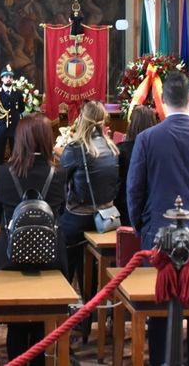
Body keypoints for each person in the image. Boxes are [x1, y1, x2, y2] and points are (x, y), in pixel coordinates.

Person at [127, 71, 189, 366]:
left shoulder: (147, 139)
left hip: (158, 234)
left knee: (159, 304)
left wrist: (139, 226)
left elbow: (134, 189)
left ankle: (160, 360)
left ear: (164, 101)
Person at [0, 116, 67, 366]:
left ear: (19, 140)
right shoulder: (58, 174)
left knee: (17, 324)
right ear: (46, 140)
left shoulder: (2, 173)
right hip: (49, 260)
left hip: (11, 261)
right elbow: (61, 212)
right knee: (41, 327)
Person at [58, 100, 118, 290]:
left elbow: (61, 182)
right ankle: (90, 300)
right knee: (89, 265)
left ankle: (62, 292)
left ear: (82, 119)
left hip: (79, 217)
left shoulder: (75, 149)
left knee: (62, 252)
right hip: (107, 219)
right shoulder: (113, 148)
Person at [114, 105, 157, 227]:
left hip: (124, 211)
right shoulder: (157, 151)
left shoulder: (121, 150)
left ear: (131, 124)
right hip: (151, 211)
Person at [0, 64, 25, 166]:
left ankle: (15, 173)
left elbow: (21, 109)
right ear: (2, 79)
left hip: (14, 126)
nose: (9, 79)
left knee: (15, 151)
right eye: (6, 77)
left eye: (11, 77)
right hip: (1, 126)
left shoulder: (18, 93)